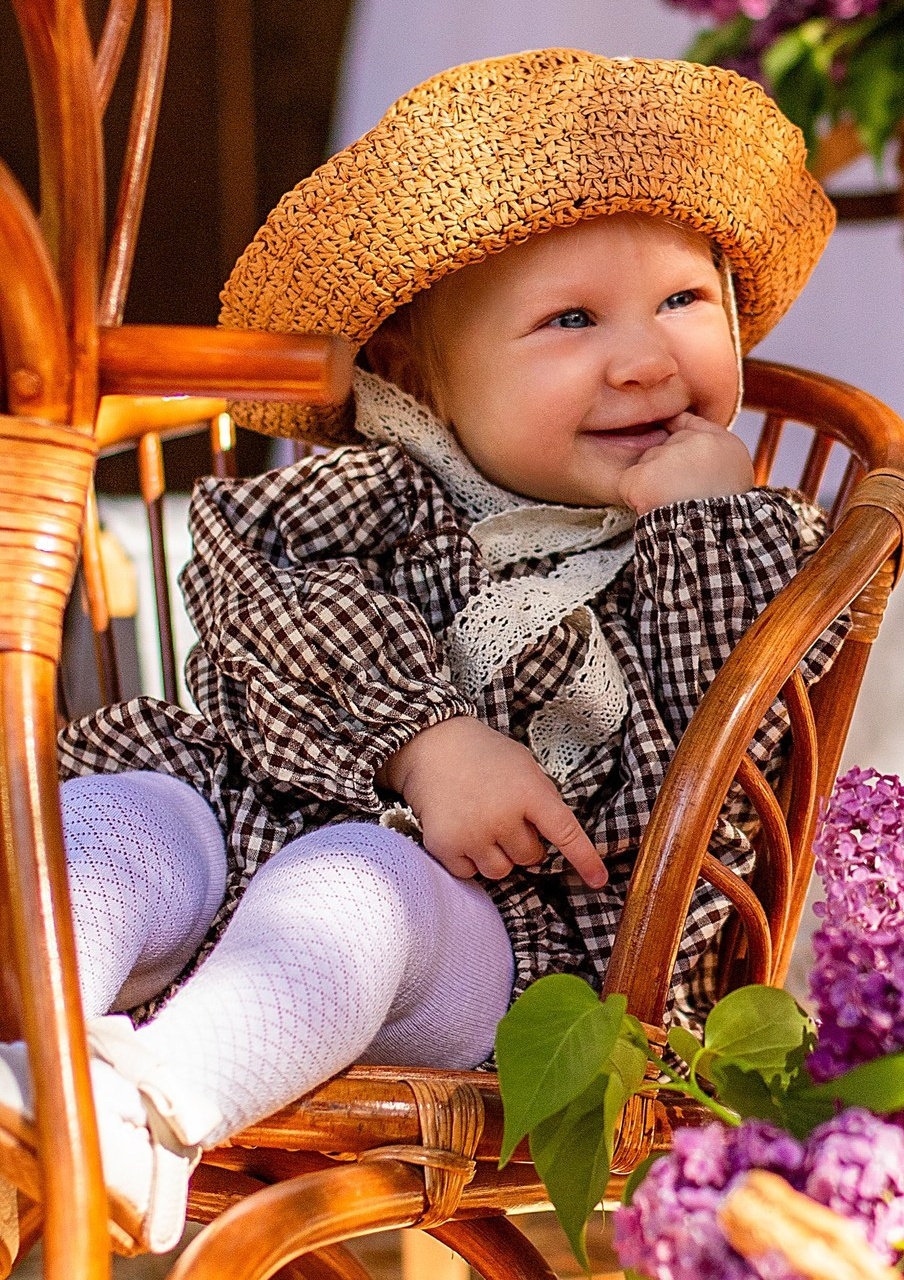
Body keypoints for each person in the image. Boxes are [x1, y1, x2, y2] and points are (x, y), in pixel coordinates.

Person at [0, 48, 837, 1253]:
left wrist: (702, 525)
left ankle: (146, 1114)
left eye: (682, 301)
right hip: (245, 822)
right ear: (417, 375)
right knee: (120, 811)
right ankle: (40, 1047)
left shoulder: (746, 547)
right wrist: (424, 735)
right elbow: (251, 603)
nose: (646, 356)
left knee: (362, 882)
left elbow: (717, 791)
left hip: (509, 948)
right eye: (569, 319)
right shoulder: (375, 494)